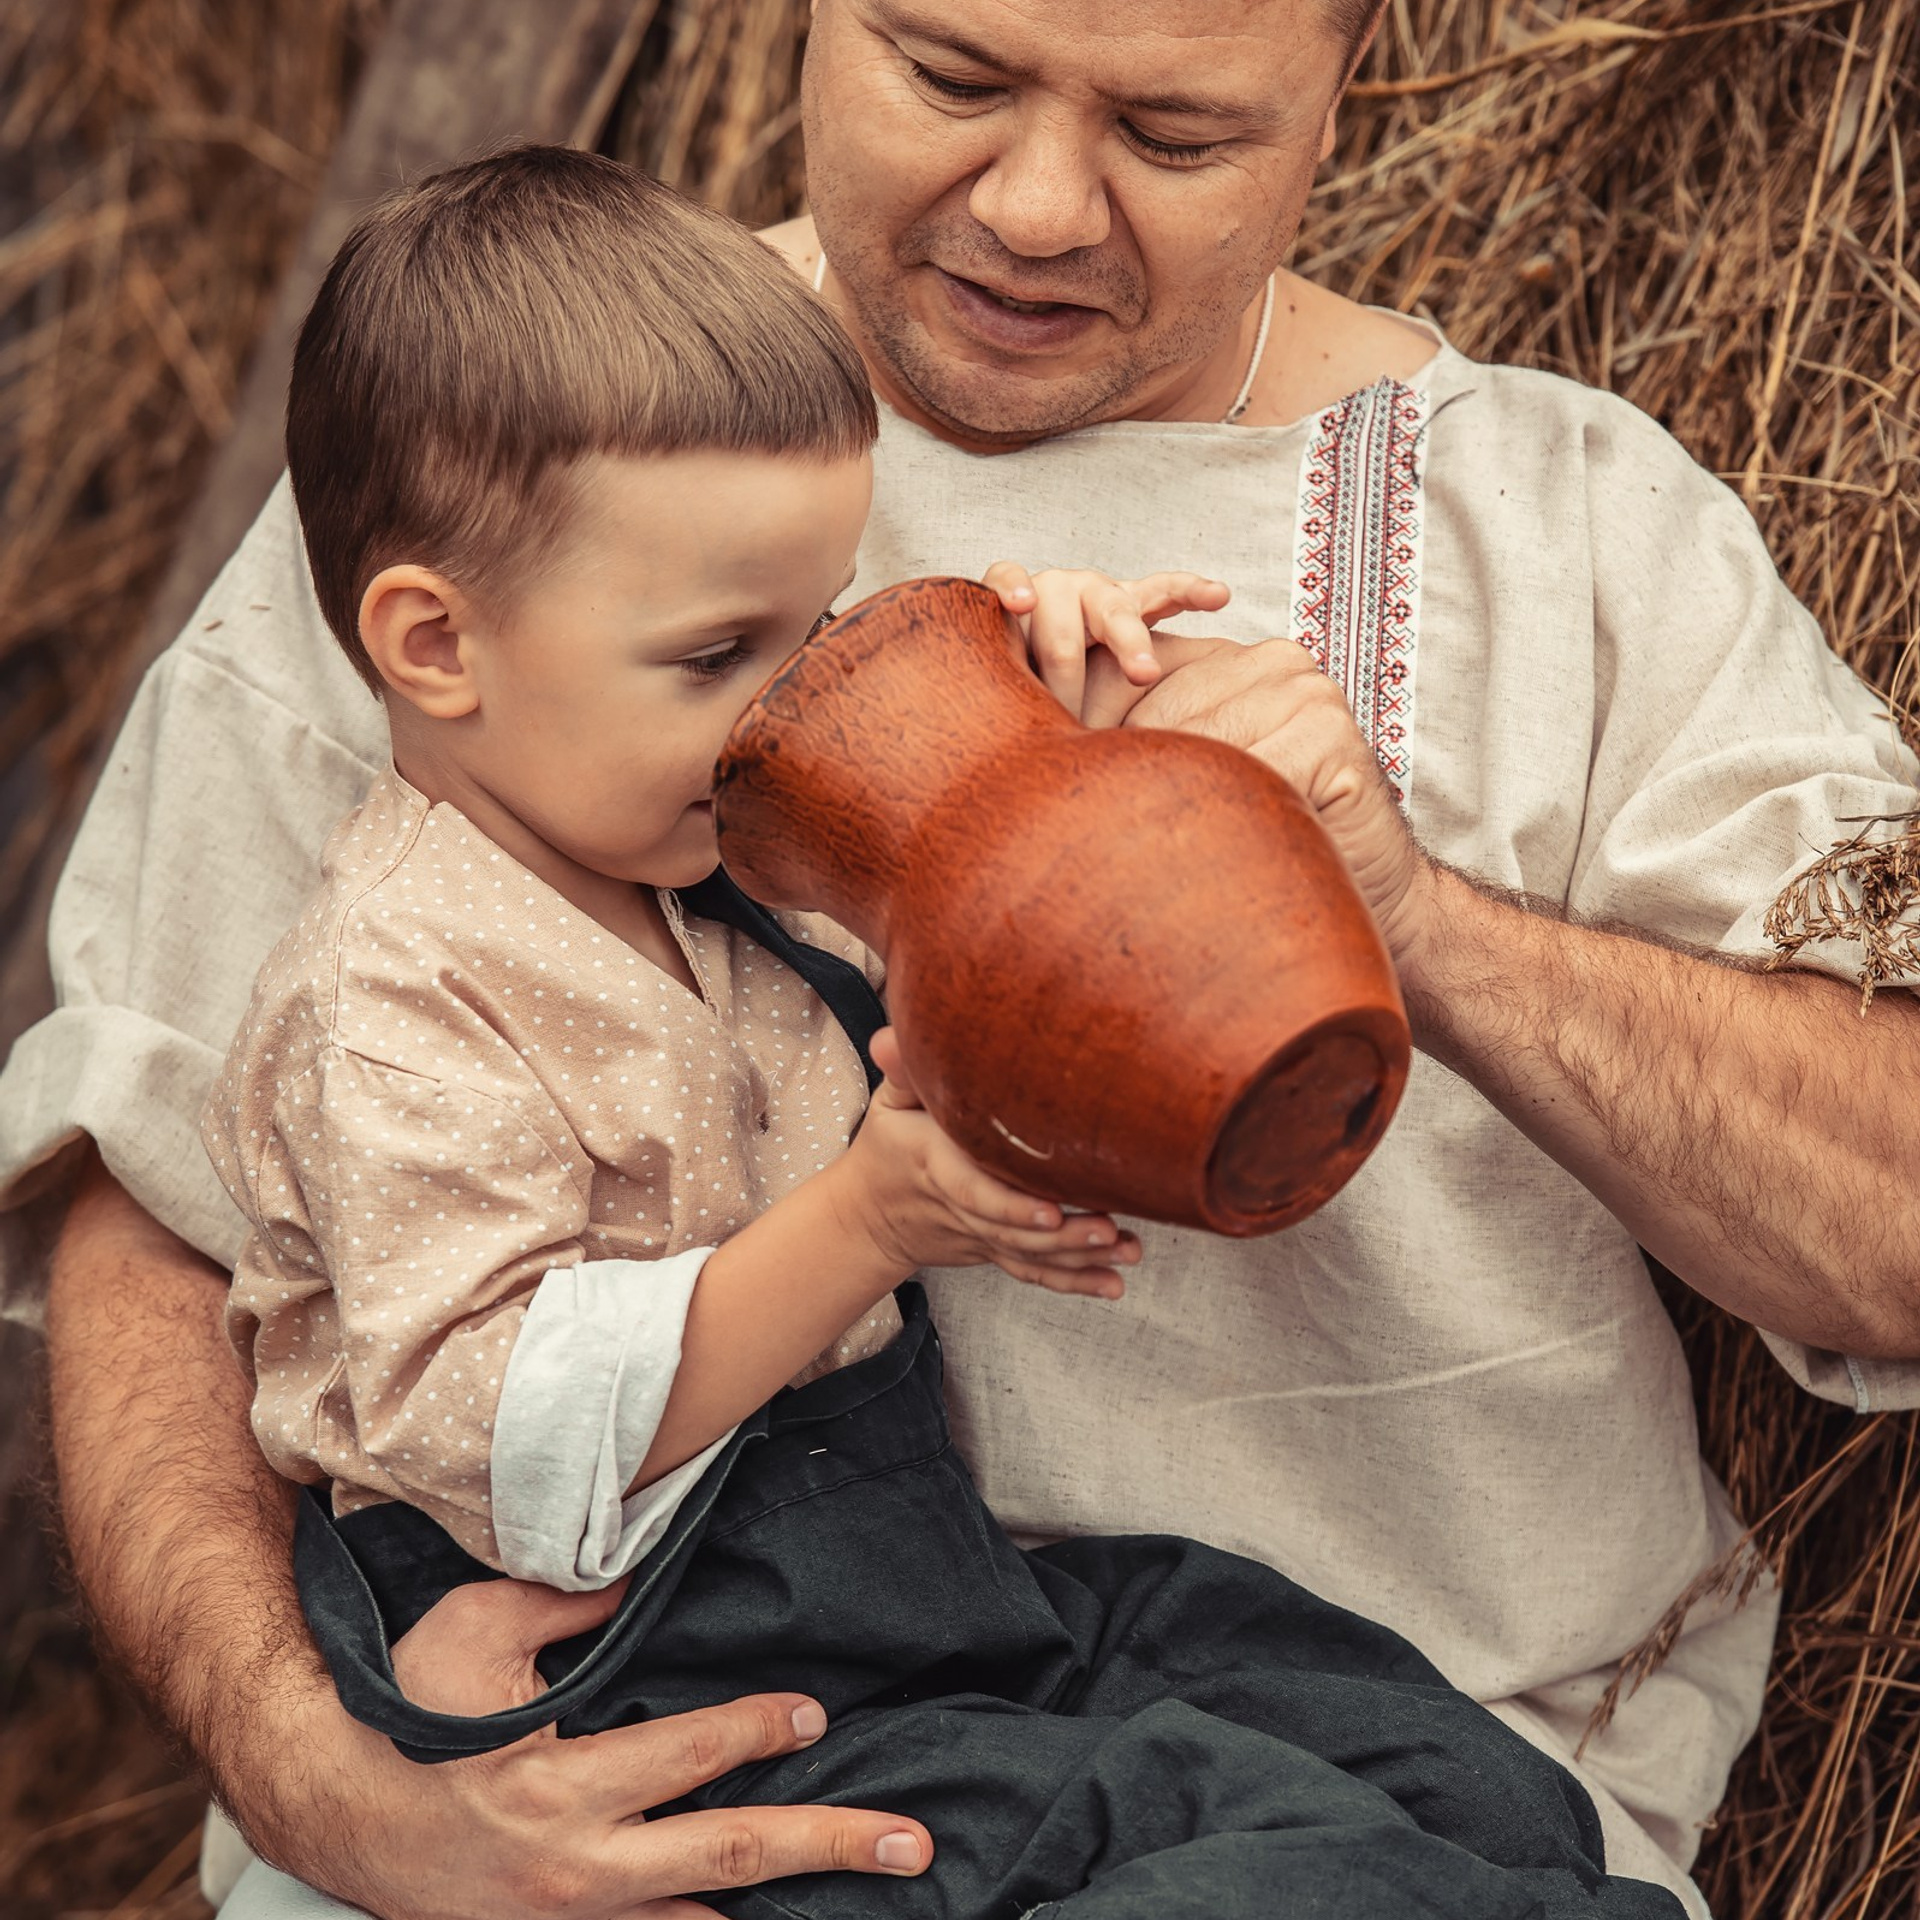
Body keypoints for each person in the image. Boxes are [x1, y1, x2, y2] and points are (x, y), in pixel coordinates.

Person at [2, 0, 1916, 1914]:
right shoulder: (503, 446)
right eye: (953, 76)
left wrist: (1414, 923)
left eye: (1174, 135)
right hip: (624, 1759)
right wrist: (326, 1787)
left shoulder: (1567, 530)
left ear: (1347, 100)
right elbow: (165, 1209)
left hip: (1328, 1740)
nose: (1037, 206)